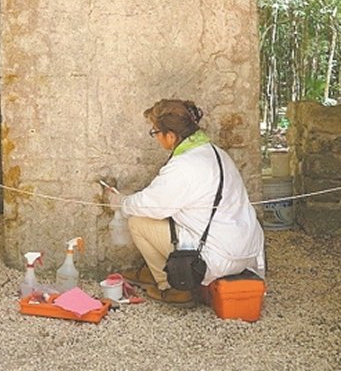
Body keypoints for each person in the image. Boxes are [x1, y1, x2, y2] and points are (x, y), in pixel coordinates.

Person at [105, 99, 264, 307]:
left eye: (155, 132)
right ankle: (157, 271)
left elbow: (151, 205)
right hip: (246, 250)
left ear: (170, 136)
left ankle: (173, 288)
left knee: (138, 221)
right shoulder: (216, 153)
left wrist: (120, 203)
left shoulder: (184, 165)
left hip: (219, 256)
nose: (155, 137)